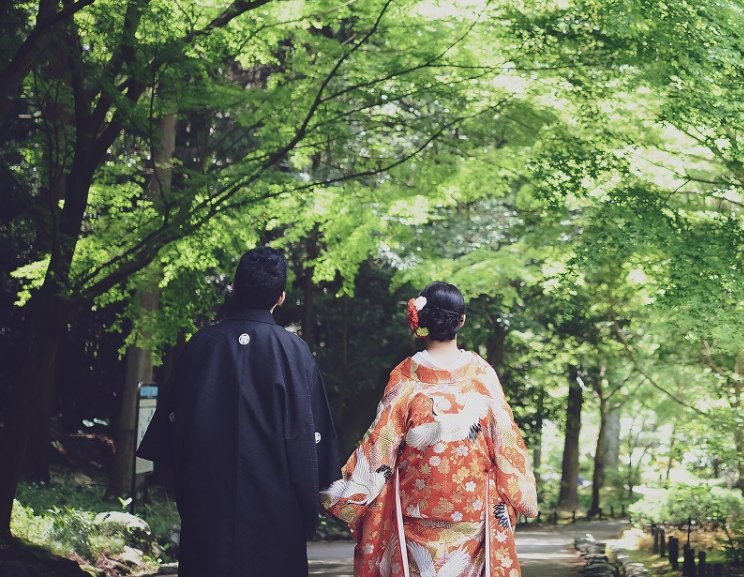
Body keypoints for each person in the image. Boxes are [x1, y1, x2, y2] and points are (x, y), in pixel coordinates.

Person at [138, 246, 340, 577]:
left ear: (235, 288)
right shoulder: (294, 351)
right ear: (281, 297)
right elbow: (310, 440)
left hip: (208, 510)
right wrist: (310, 506)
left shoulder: (201, 345)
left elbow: (171, 438)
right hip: (277, 514)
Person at [323, 281, 537, 577]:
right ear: (461, 320)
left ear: (421, 320)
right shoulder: (482, 375)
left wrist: (340, 490)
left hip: (417, 510)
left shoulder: (405, 377)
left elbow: (381, 444)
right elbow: (506, 442)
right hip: (472, 507)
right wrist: (518, 493)